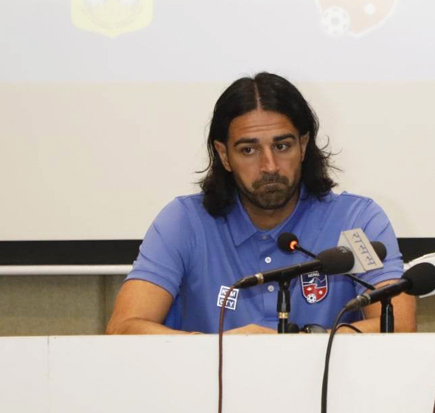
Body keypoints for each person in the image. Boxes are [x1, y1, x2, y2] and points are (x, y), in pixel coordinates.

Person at [106, 73, 415, 334]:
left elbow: (398, 323)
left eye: (282, 146)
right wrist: (222, 348)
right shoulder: (185, 221)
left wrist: (306, 345)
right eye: (249, 150)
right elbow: (124, 328)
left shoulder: (356, 220)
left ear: (303, 146)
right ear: (224, 155)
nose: (269, 166)